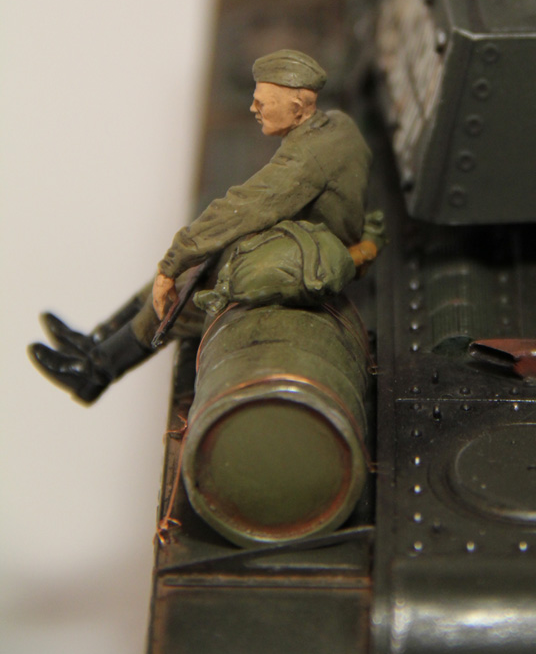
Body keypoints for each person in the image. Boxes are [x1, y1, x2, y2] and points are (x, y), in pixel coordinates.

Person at [29, 50, 381, 403]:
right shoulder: (337, 124)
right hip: (313, 236)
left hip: (314, 259)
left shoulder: (304, 159)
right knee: (180, 273)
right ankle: (96, 341)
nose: (253, 108)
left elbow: (242, 208)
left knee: (181, 298)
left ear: (297, 108)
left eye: (262, 102)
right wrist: (174, 264)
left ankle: (93, 373)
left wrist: (174, 261)